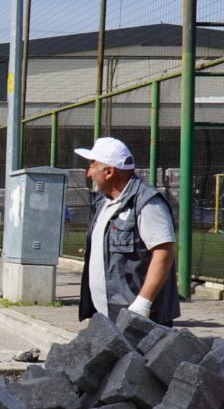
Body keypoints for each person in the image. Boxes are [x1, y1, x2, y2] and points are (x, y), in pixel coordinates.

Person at [75, 137, 179, 326]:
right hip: (108, 316)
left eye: (92, 166)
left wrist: (143, 304)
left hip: (139, 319)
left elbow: (164, 254)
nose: (89, 173)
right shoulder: (104, 203)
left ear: (109, 172)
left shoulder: (147, 202)